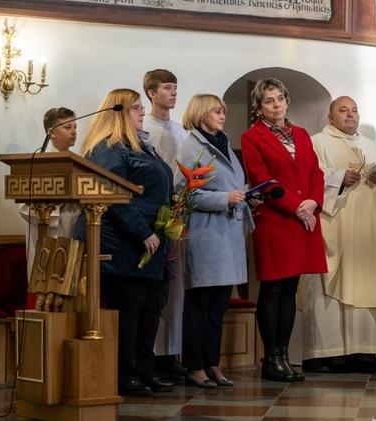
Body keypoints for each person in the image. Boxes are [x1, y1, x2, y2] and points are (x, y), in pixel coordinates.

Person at [74, 88, 175, 396]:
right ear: (117, 114)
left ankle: (146, 369)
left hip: (151, 242)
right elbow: (112, 197)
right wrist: (143, 231)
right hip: (120, 242)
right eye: (135, 108)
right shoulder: (108, 148)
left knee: (152, 307)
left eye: (141, 107)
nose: (142, 112)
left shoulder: (142, 146)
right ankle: (124, 374)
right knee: (129, 310)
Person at [304, 95, 376, 373]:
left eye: (354, 110)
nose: (350, 115)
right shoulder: (317, 142)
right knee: (331, 288)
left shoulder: (373, 146)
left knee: (367, 281)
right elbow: (309, 177)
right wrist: (337, 179)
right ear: (330, 118)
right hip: (336, 229)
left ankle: (366, 351)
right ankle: (328, 354)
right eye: (343, 110)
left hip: (369, 231)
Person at [240, 78, 327, 382]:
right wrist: (297, 207)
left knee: (291, 288)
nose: (276, 105)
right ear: (259, 107)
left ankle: (284, 356)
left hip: (304, 219)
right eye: (269, 101)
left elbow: (316, 172)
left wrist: (314, 202)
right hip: (275, 220)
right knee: (273, 287)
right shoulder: (251, 137)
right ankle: (270, 359)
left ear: (287, 100)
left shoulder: (301, 134)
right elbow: (260, 178)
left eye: (280, 99)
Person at [176, 94, 255, 388]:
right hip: (205, 234)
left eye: (223, 110)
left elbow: (232, 185)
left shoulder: (223, 143)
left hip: (228, 234)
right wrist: (224, 198)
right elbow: (182, 195)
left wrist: (247, 194)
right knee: (200, 305)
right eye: (216, 111)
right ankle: (193, 366)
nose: (223, 115)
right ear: (200, 114)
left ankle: (212, 364)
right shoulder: (192, 147)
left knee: (218, 306)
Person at [142, 69, 190, 377]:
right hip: (153, 218)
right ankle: (152, 356)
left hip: (179, 216)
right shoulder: (142, 128)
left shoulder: (182, 131)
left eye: (175, 87)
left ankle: (172, 354)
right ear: (151, 93)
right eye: (167, 88)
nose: (173, 93)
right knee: (155, 292)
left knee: (177, 290)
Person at [20, 107, 81, 278]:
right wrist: (55, 216)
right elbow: (25, 208)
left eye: (75, 127)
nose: (74, 132)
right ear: (51, 132)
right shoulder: (38, 164)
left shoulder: (81, 162)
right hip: (49, 231)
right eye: (67, 127)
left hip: (75, 230)